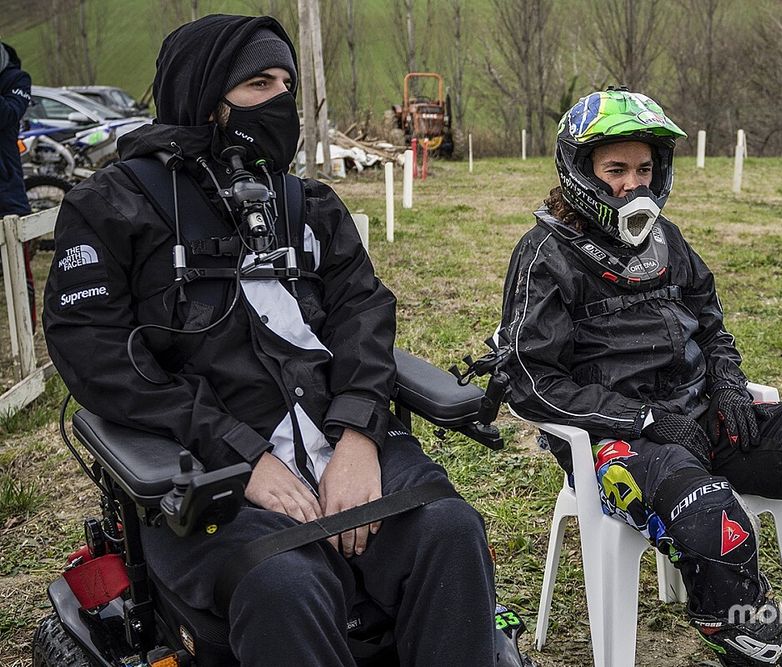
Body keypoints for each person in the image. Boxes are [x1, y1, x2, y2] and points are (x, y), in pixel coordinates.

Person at [43, 15, 495, 666]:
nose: (279, 100)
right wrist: (242, 454)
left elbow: (362, 310)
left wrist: (361, 433)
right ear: (203, 95)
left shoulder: (307, 203)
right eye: (258, 82)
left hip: (337, 435)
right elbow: (95, 355)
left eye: (286, 82)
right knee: (285, 582)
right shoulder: (112, 206)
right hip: (210, 466)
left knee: (449, 531)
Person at [500, 89, 782, 667]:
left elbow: (711, 325)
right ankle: (761, 656)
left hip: (705, 414)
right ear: (579, 170)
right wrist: (641, 418)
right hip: (619, 441)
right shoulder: (545, 254)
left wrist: (729, 383)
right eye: (615, 170)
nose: (632, 185)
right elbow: (530, 382)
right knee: (719, 527)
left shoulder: (669, 240)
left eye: (644, 169)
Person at [1, 39, 35, 328]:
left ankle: (29, 332)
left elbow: (8, 115)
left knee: (18, 273)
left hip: (6, 192)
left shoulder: (17, 79)